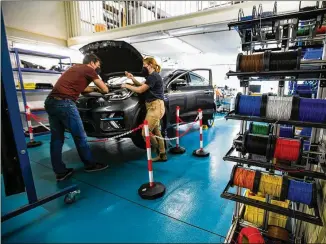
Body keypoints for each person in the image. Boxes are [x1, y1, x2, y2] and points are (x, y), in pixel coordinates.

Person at [45, 54, 109, 181]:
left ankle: (60, 172)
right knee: (79, 135)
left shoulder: (75, 68)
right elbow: (105, 90)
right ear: (93, 62)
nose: (98, 68)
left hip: (50, 102)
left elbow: (83, 89)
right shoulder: (89, 70)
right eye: (98, 65)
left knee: (57, 139)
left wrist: (93, 87)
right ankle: (90, 165)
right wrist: (102, 86)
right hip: (65, 104)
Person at [122, 57, 167, 162]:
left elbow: (141, 90)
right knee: (156, 132)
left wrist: (126, 85)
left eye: (144, 66)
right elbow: (143, 85)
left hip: (155, 107)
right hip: (153, 106)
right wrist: (132, 78)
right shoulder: (152, 76)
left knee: (145, 132)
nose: (143, 68)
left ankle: (157, 149)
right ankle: (163, 154)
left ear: (150, 65)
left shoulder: (153, 76)